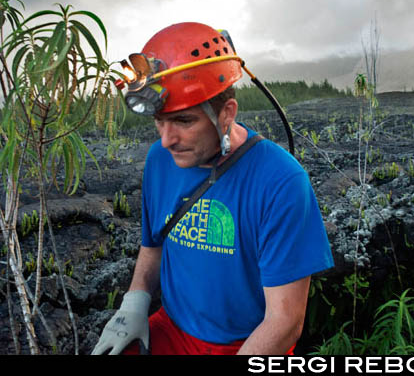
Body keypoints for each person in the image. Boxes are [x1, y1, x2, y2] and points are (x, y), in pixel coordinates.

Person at [92, 22, 334, 355]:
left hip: (247, 344)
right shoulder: (159, 160)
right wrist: (134, 303)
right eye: (159, 121)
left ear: (226, 114)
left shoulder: (281, 182)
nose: (166, 140)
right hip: (171, 330)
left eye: (183, 121)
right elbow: (153, 245)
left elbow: (285, 321)